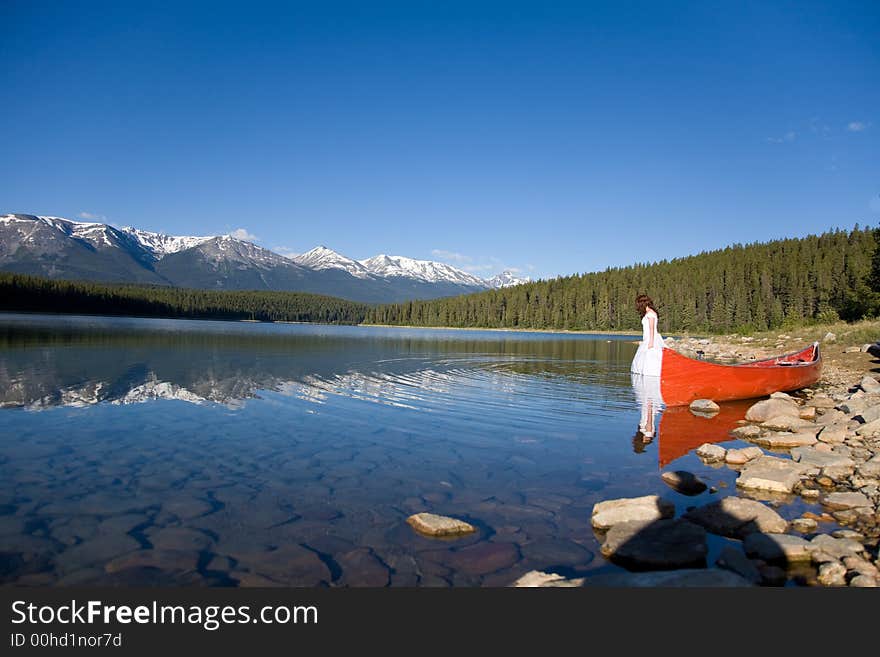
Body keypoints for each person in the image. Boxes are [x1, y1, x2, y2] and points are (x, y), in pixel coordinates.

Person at [630, 293, 664, 376]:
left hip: (651, 339)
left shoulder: (650, 314)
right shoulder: (648, 313)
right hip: (647, 338)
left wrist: (651, 342)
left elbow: (652, 328)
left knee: (651, 358)